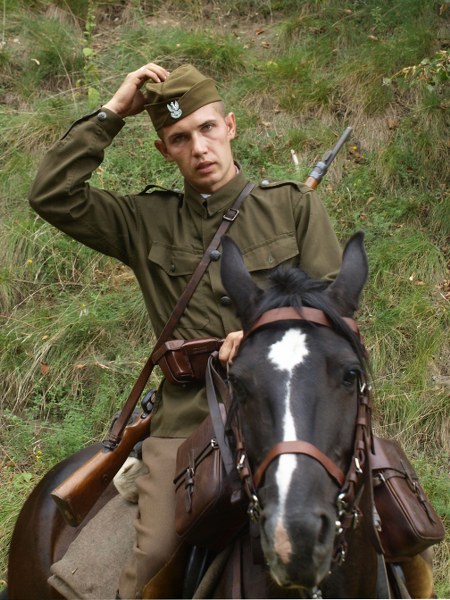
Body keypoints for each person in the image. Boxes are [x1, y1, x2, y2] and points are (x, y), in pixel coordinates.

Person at [28, 62, 343, 598]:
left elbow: (332, 307)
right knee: (153, 557)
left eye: (207, 128)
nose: (199, 148)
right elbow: (53, 194)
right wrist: (112, 113)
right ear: (164, 150)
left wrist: (265, 336)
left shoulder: (292, 206)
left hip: (291, 413)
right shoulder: (144, 221)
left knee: (395, 525)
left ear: (231, 126)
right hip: (190, 422)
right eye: (179, 138)